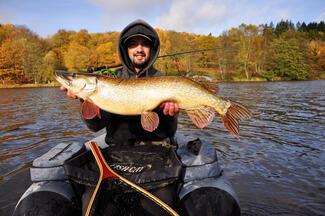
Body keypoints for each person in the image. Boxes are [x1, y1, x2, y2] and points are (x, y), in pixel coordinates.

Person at [61, 19, 181, 215]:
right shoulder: (109, 78)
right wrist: (84, 101)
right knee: (96, 206)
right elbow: (95, 127)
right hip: (116, 153)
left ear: (152, 49)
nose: (139, 49)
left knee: (159, 206)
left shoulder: (162, 78)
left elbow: (168, 131)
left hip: (158, 154)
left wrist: (168, 114)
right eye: (133, 44)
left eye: (145, 44)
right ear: (125, 49)